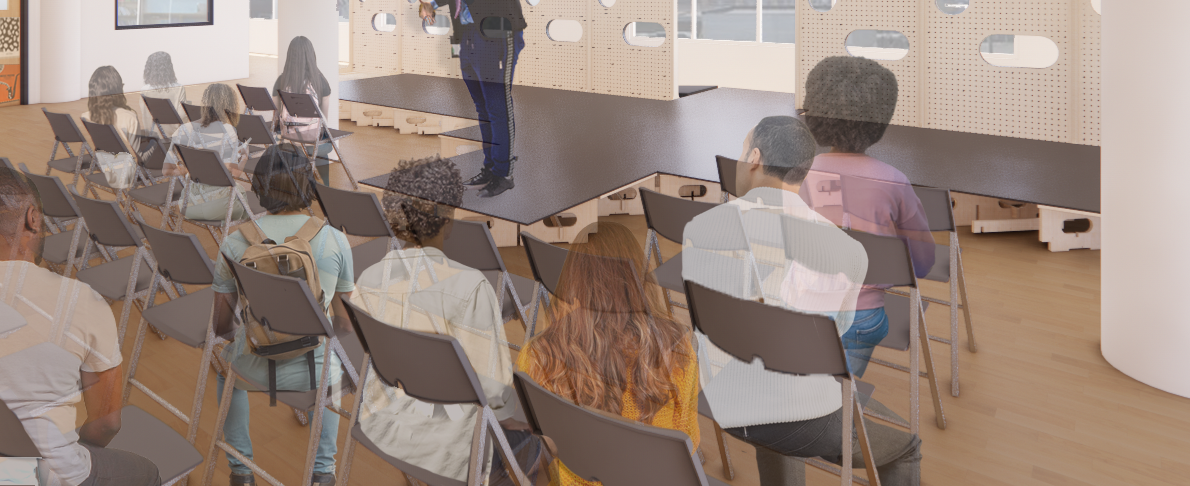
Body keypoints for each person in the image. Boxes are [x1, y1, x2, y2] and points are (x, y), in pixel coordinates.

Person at [684, 116, 922, 486]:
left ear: (755, 158)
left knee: (768, 374)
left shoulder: (699, 228)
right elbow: (831, 350)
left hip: (718, 397)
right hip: (802, 420)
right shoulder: (849, 253)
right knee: (906, 447)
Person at [348, 173, 541, 486]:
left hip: (380, 424)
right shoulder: (472, 285)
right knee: (539, 436)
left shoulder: (369, 276)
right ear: (448, 224)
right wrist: (510, 419)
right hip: (452, 450)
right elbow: (493, 389)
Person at [0, 166, 161, 486]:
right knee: (150, 472)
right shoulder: (84, 305)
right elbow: (107, 424)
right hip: (60, 471)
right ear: (33, 218)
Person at [211, 143, 354, 486]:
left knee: (222, 369)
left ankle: (241, 472)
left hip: (254, 365)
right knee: (332, 377)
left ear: (259, 190)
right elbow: (345, 324)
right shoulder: (335, 240)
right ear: (308, 187)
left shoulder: (234, 242)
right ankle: (323, 472)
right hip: (315, 374)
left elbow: (221, 325)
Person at [517, 222, 698, 486]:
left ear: (573, 277)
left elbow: (537, 447)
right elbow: (688, 439)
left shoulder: (538, 354)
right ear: (636, 275)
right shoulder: (677, 346)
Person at [799, 57, 935, 377]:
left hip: (800, 310)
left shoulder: (802, 173)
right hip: (861, 318)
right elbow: (923, 262)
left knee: (816, 387)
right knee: (842, 396)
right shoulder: (892, 181)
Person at [419, 0, 526, 198]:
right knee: (481, 107)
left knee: (497, 105)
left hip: (496, 34)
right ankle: (491, 166)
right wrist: (435, 3)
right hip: (468, 37)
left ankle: (504, 172)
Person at [162, 83, 250, 226]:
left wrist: (189, 168)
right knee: (241, 194)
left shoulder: (183, 129)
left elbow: (167, 171)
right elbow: (235, 174)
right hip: (219, 207)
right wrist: (244, 158)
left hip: (188, 205)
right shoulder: (228, 131)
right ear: (231, 107)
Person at [272, 35, 334, 185]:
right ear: (311, 56)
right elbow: (324, 117)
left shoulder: (281, 80)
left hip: (288, 138)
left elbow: (276, 115)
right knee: (323, 139)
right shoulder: (321, 81)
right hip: (313, 140)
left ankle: (288, 181)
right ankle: (324, 184)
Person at [138, 51, 185, 133]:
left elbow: (145, 117)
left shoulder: (144, 90)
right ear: (169, 67)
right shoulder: (179, 87)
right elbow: (183, 115)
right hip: (175, 137)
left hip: (154, 137)